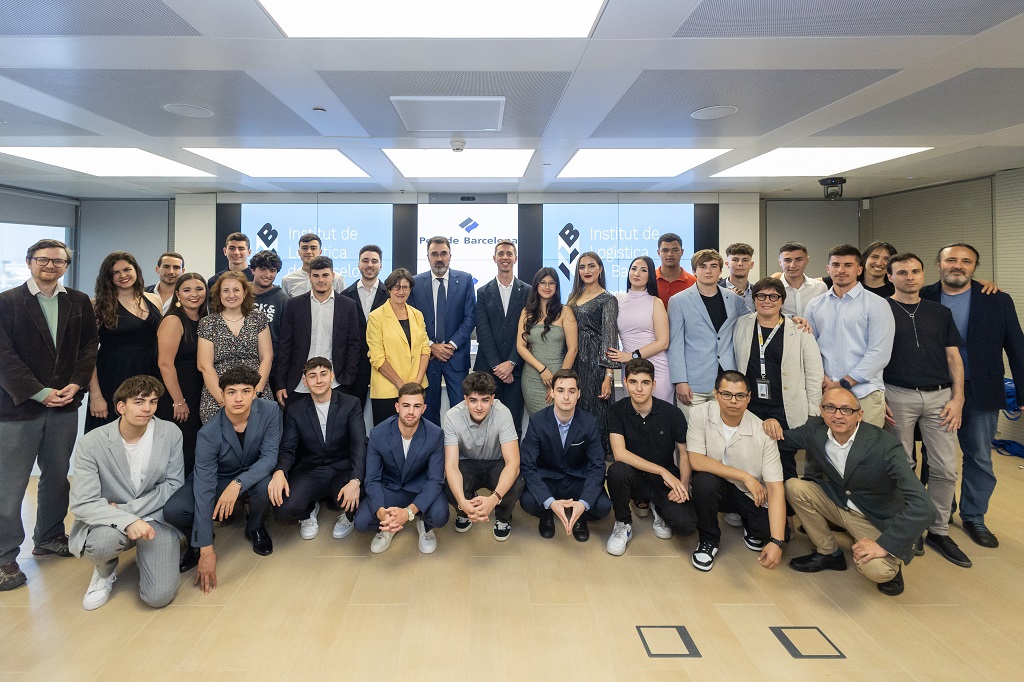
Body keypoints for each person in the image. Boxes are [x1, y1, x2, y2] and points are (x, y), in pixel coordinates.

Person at [764, 387, 933, 597]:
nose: (837, 415)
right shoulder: (814, 430)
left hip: (875, 517)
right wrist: (769, 424)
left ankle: (891, 563)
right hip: (839, 503)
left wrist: (884, 546)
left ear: (859, 414)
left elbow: (924, 506)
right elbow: (778, 440)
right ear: (821, 411)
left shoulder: (885, 445)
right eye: (830, 408)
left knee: (879, 570)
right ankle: (829, 553)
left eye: (846, 409)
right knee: (794, 487)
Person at [0, 239, 98, 592]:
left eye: (58, 261)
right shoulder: (7, 302)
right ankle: (5, 556)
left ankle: (50, 536)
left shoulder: (78, 301)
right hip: (18, 408)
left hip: (64, 404)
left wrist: (76, 383)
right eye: (43, 260)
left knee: (57, 475)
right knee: (10, 486)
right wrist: (39, 392)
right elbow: (3, 355)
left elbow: (89, 347)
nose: (50, 266)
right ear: (29, 262)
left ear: (66, 266)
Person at [921, 243, 1024, 549]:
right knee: (934, 456)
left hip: (982, 388)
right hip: (935, 387)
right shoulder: (923, 295)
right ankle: (939, 511)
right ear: (938, 264)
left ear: (974, 267)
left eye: (966, 261)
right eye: (951, 259)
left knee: (979, 454)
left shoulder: (996, 299)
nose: (958, 265)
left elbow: (1017, 347)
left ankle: (974, 515)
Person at [882, 253, 970, 567]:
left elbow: (953, 358)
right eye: (902, 272)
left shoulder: (940, 312)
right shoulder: (880, 310)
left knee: (945, 468)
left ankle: (939, 530)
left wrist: (958, 398)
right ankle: (909, 526)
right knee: (902, 466)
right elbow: (873, 355)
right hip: (897, 395)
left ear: (923, 274)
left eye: (915, 271)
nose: (910, 277)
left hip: (940, 397)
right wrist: (880, 397)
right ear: (890, 277)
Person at [69, 375, 184, 610]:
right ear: (121, 407)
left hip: (155, 517)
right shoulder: (91, 443)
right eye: (139, 402)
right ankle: (103, 572)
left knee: (158, 597)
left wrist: (128, 511)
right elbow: (83, 503)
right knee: (101, 545)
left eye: (153, 402)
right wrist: (126, 521)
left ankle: (150, 556)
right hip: (110, 520)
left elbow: (174, 484)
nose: (147, 408)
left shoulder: (170, 432)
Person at [164, 365, 282, 592]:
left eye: (245, 391)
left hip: (252, 474)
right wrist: (206, 549)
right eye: (231, 392)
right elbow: (204, 489)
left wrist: (237, 484)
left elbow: (269, 458)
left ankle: (255, 526)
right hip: (217, 479)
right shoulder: (208, 434)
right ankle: (197, 541)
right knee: (174, 510)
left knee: (267, 485)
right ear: (222, 395)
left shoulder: (270, 410)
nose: (238, 398)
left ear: (255, 392)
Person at [733, 277, 823, 520]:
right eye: (761, 296)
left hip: (785, 407)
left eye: (774, 296)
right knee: (749, 457)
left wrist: (813, 411)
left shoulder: (799, 329)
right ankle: (752, 510)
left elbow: (814, 373)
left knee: (783, 458)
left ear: (782, 300)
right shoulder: (742, 324)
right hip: (750, 406)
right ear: (754, 299)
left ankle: (787, 516)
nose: (767, 301)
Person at [686, 371, 786, 572]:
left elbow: (775, 489)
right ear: (716, 394)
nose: (733, 401)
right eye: (726, 394)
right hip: (716, 486)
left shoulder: (763, 431)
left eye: (740, 396)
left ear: (749, 398)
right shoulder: (699, 414)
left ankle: (748, 523)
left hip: (750, 494)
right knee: (703, 482)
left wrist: (777, 541)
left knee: (777, 534)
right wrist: (744, 476)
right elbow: (696, 460)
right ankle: (708, 540)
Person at [605, 359, 696, 556]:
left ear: (653, 385)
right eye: (633, 382)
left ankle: (658, 507)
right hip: (634, 478)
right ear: (626, 383)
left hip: (664, 481)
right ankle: (623, 523)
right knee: (616, 471)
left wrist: (683, 484)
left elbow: (684, 453)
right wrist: (662, 470)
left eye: (645, 383)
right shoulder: (616, 410)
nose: (639, 389)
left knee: (687, 526)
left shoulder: (672, 413)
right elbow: (619, 453)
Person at [269, 358, 366, 541]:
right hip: (311, 469)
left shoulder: (351, 403)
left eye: (323, 374)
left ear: (332, 376)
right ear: (305, 381)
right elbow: (288, 448)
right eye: (312, 376)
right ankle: (309, 509)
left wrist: (355, 480)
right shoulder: (295, 410)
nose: (319, 380)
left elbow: (359, 444)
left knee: (355, 497)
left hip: (342, 467)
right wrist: (279, 471)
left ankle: (348, 516)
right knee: (283, 510)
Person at [803, 244, 895, 428]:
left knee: (866, 446)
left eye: (848, 265)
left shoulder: (877, 304)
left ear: (859, 270)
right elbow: (809, 348)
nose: (841, 270)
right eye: (836, 265)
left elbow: (879, 353)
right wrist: (825, 380)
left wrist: (843, 383)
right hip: (824, 392)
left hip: (864, 393)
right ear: (828, 269)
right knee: (824, 446)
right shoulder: (814, 305)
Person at [354, 382, 448, 554]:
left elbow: (436, 479)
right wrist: (381, 513)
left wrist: (409, 512)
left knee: (440, 516)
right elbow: (372, 478)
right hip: (390, 488)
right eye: (406, 405)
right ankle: (388, 527)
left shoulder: (435, 434)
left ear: (424, 409)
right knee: (361, 523)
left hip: (420, 488)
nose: (411, 411)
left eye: (416, 406)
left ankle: (424, 523)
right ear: (397, 407)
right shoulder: (378, 433)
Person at [519, 369, 612, 542]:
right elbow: (527, 465)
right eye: (561, 390)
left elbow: (598, 465)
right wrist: (549, 501)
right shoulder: (537, 421)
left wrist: (584, 503)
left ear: (579, 394)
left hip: (578, 479)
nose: (566, 397)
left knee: (604, 506)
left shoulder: (589, 422)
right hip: (549, 478)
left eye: (572, 391)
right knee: (527, 501)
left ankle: (580, 516)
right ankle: (547, 513)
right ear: (552, 393)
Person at [85, 251, 163, 432]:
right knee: (110, 432)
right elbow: (88, 353)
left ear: (136, 270)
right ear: (108, 277)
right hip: (113, 375)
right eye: (116, 272)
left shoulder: (154, 299)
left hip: (150, 372)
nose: (123, 275)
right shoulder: (97, 305)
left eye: (127, 269)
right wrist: (96, 395)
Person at [443, 372, 524, 541]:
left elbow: (513, 463)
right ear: (465, 400)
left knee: (516, 483)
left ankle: (503, 517)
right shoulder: (452, 416)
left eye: (485, 400)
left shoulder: (503, 413)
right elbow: (451, 465)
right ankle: (466, 510)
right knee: (447, 483)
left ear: (492, 399)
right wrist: (462, 501)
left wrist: (494, 499)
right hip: (467, 463)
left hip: (496, 463)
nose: (479, 407)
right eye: (473, 400)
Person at [667, 249, 747, 415]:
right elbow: (675, 344)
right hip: (693, 383)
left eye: (713, 266)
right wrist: (680, 381)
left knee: (724, 430)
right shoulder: (678, 301)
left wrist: (791, 319)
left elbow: (756, 319)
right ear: (694, 271)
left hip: (727, 381)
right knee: (692, 430)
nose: (708, 271)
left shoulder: (734, 299)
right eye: (703, 266)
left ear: (720, 271)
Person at [274, 256, 360, 409]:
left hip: (336, 382)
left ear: (333, 276)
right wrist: (280, 382)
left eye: (325, 275)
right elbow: (285, 345)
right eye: (316, 275)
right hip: (298, 383)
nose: (321, 280)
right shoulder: (294, 305)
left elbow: (353, 344)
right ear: (309, 277)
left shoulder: (348, 305)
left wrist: (348, 377)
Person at [410, 236, 477, 426]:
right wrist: (431, 345)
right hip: (427, 359)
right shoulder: (415, 283)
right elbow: (413, 322)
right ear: (428, 257)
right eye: (434, 254)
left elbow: (470, 318)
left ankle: (459, 445)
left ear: (450, 255)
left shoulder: (465, 280)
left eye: (443, 254)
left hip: (455, 356)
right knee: (428, 410)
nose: (439, 258)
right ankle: (432, 444)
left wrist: (451, 345)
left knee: (461, 410)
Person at [197, 272, 274, 423]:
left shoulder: (258, 318)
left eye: (236, 290)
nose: (231, 295)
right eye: (226, 290)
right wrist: (223, 400)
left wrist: (255, 394)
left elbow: (267, 357)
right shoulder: (208, 323)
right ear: (219, 294)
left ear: (245, 293)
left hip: (255, 389)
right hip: (218, 393)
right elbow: (205, 365)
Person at [474, 240, 531, 435]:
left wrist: (512, 363)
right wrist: (498, 367)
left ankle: (513, 458)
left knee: (513, 425)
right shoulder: (482, 292)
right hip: (488, 369)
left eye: (509, 254)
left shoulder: (528, 291)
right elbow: (483, 332)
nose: (505, 257)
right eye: (501, 254)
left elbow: (527, 330)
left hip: (516, 370)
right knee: (485, 425)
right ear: (494, 258)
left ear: (515, 258)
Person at [155, 272, 208, 476]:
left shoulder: (204, 320)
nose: (194, 294)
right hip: (177, 394)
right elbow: (165, 364)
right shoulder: (173, 321)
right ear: (177, 294)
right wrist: (178, 401)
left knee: (195, 449)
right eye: (187, 290)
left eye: (199, 289)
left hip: (197, 392)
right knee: (180, 453)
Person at [568, 251, 619, 458]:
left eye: (591, 266)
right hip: (574, 362)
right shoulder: (573, 298)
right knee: (575, 411)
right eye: (582, 267)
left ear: (600, 269)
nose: (586, 271)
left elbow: (610, 339)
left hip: (596, 366)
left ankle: (598, 463)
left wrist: (608, 376)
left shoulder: (608, 299)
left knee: (596, 414)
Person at [366, 268, 431, 426]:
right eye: (397, 287)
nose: (401, 292)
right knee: (386, 436)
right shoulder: (376, 317)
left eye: (405, 287)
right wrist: (402, 386)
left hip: (417, 388)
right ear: (389, 289)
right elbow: (377, 357)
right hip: (387, 391)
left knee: (416, 435)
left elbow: (425, 349)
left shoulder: (417, 315)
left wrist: (416, 383)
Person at [607, 255, 672, 403]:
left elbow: (663, 342)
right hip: (630, 368)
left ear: (650, 277)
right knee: (634, 414)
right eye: (634, 269)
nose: (637, 273)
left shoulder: (655, 302)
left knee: (658, 414)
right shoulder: (616, 300)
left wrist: (632, 356)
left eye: (643, 270)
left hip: (657, 368)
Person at [516, 267, 578, 415]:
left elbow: (573, 349)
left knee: (557, 420)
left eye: (551, 283)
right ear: (536, 286)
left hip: (559, 377)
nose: (547, 287)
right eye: (543, 282)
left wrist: (559, 382)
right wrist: (542, 370)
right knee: (538, 422)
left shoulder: (565, 312)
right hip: (532, 378)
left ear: (556, 286)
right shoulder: (526, 312)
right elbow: (521, 346)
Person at [340, 244, 388, 407]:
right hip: (354, 366)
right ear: (359, 264)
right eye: (365, 260)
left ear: (381, 265)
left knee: (383, 413)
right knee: (353, 411)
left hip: (384, 365)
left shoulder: (390, 296)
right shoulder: (345, 296)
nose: (369, 265)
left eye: (374, 261)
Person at [281, 232, 346, 297]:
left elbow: (343, 302)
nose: (308, 252)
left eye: (313, 248)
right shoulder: (288, 280)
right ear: (299, 252)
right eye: (304, 248)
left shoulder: (337, 279)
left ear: (320, 252)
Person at [250, 249, 289, 351]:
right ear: (253, 270)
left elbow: (286, 337)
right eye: (263, 269)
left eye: (272, 270)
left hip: (272, 358)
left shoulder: (283, 300)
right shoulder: (240, 295)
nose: (267, 275)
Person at [777, 242, 828, 317]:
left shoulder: (820, 288)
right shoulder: (772, 290)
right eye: (787, 260)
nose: (793, 265)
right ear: (780, 262)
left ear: (807, 260)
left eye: (798, 260)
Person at [655, 232, 696, 309]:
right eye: (665, 250)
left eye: (675, 250)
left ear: (682, 252)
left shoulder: (694, 282)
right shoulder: (648, 280)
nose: (670, 254)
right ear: (658, 253)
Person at [720, 242, 756, 312]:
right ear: (727, 264)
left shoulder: (758, 292)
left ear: (751, 265)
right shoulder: (716, 289)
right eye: (735, 260)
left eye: (745, 260)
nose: (740, 264)